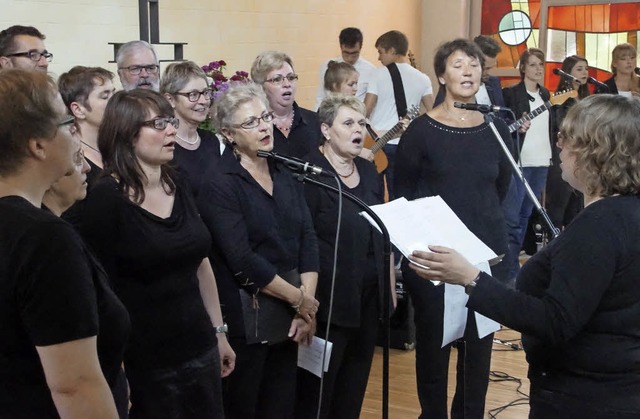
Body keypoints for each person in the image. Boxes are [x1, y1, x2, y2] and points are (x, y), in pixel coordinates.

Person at [408, 94, 640, 419]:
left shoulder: (600, 225)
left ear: (595, 151)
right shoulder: (626, 212)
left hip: (584, 396)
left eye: (568, 136)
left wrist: (471, 279)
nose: (558, 143)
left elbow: (554, 320)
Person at [79, 89, 235, 418]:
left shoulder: (177, 182)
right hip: (144, 362)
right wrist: (116, 372)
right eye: (159, 123)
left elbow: (201, 263)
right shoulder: (105, 200)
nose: (171, 130)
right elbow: (98, 294)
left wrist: (219, 332)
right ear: (126, 132)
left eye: (170, 121)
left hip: (199, 348)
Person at [0, 69, 129, 419]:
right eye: (66, 124)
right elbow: (75, 385)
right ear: (37, 145)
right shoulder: (42, 238)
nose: (75, 138)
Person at [394, 39, 512, 419]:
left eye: (474, 65)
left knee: (478, 352)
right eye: (458, 65)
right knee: (434, 351)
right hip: (435, 258)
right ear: (442, 75)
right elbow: (404, 194)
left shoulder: (496, 127)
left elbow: (501, 186)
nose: (468, 72)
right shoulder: (421, 131)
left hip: (483, 257)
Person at [197, 82, 319, 419]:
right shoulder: (220, 182)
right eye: (251, 122)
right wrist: (299, 299)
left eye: (265, 117)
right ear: (228, 134)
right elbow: (242, 259)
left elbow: (308, 237)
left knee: (283, 406)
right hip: (248, 318)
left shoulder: (284, 169)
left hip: (293, 314)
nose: (264, 126)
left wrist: (305, 305)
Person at [295, 94, 393, 419]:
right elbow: (300, 242)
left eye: (362, 124)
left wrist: (389, 290)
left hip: (366, 299)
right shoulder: (309, 174)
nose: (358, 131)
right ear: (325, 129)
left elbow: (383, 236)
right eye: (348, 123)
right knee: (318, 395)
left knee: (353, 388)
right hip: (327, 302)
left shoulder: (369, 171)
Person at [502, 48, 554, 281]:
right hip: (521, 160)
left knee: (527, 214)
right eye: (532, 64)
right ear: (523, 68)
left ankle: (516, 267)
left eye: (541, 64)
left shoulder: (546, 94)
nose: (538, 69)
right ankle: (510, 270)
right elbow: (505, 126)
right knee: (514, 217)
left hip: (542, 159)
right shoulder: (511, 93)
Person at [364, 30, 434, 199]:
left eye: (381, 52)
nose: (379, 58)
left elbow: (365, 110)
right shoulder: (423, 78)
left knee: (375, 194)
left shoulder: (377, 74)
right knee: (401, 195)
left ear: (392, 51)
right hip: (407, 144)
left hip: (378, 143)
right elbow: (433, 112)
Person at [57, 65, 116, 224]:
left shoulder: (122, 147)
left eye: (114, 93)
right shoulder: (69, 162)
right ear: (78, 109)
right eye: (105, 96)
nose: (115, 101)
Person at [161, 60, 224, 197]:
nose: (203, 101)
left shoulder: (210, 140)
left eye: (206, 92)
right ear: (170, 100)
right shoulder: (164, 145)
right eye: (193, 95)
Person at [251, 50, 322, 159]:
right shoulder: (256, 128)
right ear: (261, 86)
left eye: (291, 77)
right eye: (277, 79)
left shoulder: (315, 121)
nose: (287, 84)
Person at [545, 55, 589, 230]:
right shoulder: (562, 99)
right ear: (567, 73)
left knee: (577, 208)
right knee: (558, 206)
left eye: (586, 68)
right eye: (579, 69)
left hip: (584, 157)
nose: (584, 72)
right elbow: (561, 127)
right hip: (564, 156)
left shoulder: (586, 97)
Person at [434, 35, 506, 109]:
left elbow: (503, 114)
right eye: (485, 68)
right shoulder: (453, 87)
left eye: (491, 67)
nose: (489, 72)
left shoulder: (494, 82)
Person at [314, 27, 376, 108]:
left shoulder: (371, 70)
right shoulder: (327, 66)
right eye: (346, 53)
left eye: (354, 53)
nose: (350, 58)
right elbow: (321, 97)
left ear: (360, 48)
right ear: (341, 47)